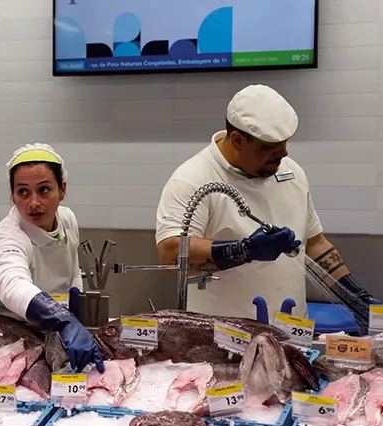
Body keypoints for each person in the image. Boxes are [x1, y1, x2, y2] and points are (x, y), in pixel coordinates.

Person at [156, 84, 380, 328]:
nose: (283, 153)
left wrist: (356, 297)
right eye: (269, 147)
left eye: (284, 143)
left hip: (292, 332)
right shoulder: (193, 178)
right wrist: (244, 251)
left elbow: (314, 243)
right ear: (238, 140)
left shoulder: (291, 172)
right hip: (224, 339)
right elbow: (170, 256)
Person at [0, 143, 104, 374]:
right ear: (13, 195)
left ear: (63, 190)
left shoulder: (67, 219)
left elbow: (72, 271)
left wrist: (76, 313)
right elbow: (12, 286)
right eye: (23, 192)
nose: (34, 203)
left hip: (37, 330)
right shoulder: (8, 237)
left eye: (44, 190)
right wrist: (63, 321)